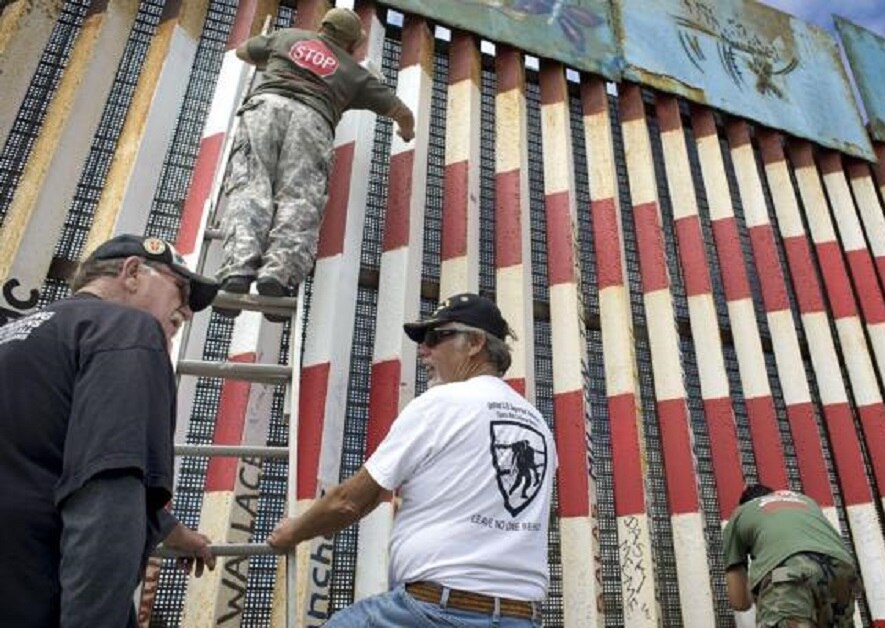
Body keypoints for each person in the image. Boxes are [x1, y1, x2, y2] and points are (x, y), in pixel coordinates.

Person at [268, 293, 556, 627]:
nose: (423, 350)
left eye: (436, 337)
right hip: (520, 617)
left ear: (475, 343)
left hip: (435, 612)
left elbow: (349, 502)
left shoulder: (442, 402)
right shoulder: (537, 424)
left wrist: (291, 533)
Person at [0, 234, 220, 627]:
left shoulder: (18, 338)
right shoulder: (126, 329)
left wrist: (165, 528)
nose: (185, 310)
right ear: (133, 272)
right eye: (180, 289)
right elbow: (105, 499)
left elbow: (34, 461)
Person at [216, 7, 416, 320]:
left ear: (323, 26)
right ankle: (277, 276)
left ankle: (237, 271)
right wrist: (407, 132)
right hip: (313, 121)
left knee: (250, 185)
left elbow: (243, 51)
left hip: (265, 108)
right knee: (299, 199)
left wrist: (277, 62)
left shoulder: (288, 37)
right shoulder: (355, 73)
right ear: (352, 43)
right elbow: (401, 112)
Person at [723, 484, 861, 627]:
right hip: (842, 568)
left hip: (790, 570)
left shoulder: (741, 513)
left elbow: (739, 602)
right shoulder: (807, 502)